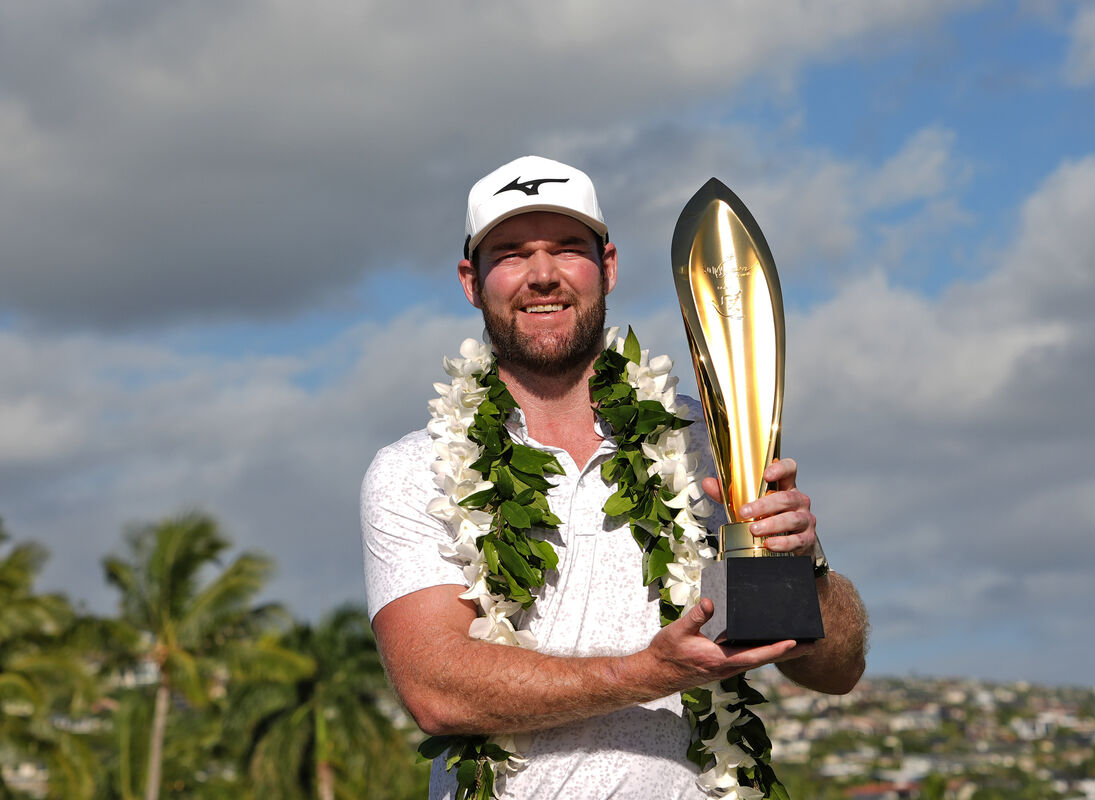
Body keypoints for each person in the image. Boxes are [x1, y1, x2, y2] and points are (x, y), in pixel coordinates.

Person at [362, 155, 868, 799]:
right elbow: (437, 690)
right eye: (512, 254)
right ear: (471, 280)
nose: (542, 275)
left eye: (568, 249)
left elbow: (838, 669)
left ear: (607, 268)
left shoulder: (710, 440)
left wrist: (803, 566)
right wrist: (653, 671)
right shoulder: (415, 467)